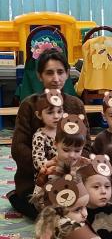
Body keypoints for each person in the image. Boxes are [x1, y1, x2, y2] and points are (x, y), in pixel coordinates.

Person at [11, 49, 89, 219]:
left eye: (60, 72)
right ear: (40, 76)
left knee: (91, 200)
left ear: (67, 74)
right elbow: (18, 148)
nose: (55, 78)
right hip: (36, 179)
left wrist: (68, 164)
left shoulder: (75, 104)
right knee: (48, 209)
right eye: (49, 73)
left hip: (72, 174)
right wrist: (47, 167)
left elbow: (87, 145)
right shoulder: (29, 105)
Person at [31, 89, 65, 173]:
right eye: (50, 112)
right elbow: (38, 161)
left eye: (59, 111)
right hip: (49, 173)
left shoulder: (65, 132)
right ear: (39, 115)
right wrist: (52, 163)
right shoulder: (40, 136)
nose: (56, 116)